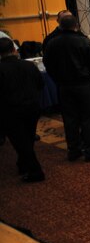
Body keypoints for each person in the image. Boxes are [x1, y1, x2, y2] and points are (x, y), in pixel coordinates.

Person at [43, 15, 90, 162]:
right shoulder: (83, 41)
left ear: (60, 26)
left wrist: (57, 80)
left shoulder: (52, 43)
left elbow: (47, 64)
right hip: (84, 85)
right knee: (89, 118)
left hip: (64, 86)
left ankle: (73, 150)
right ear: (76, 26)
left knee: (69, 119)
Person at [0, 37, 45, 182]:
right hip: (32, 107)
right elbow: (40, 84)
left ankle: (35, 172)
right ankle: (23, 164)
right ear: (14, 50)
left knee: (20, 141)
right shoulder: (29, 65)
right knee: (28, 137)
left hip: (11, 110)